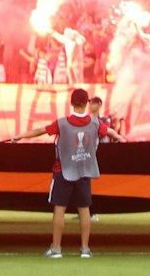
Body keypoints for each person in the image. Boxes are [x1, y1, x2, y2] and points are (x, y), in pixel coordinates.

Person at [7, 86, 110, 259]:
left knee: (60, 209)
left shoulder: (62, 123)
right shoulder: (94, 122)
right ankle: (85, 249)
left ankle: (56, 249)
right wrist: (121, 137)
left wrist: (20, 136)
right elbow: (109, 131)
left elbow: (40, 130)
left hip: (63, 171)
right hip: (83, 170)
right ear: (87, 103)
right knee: (84, 209)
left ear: (71, 103)